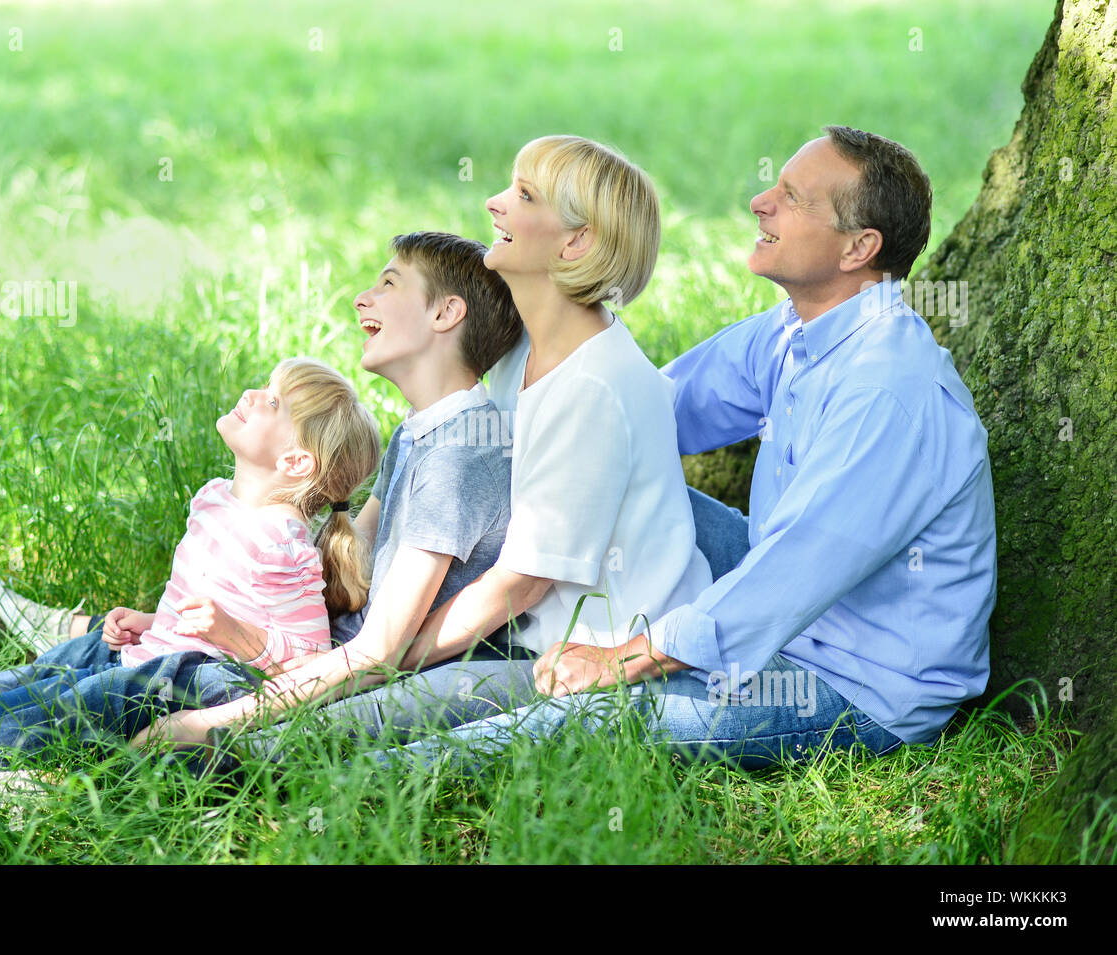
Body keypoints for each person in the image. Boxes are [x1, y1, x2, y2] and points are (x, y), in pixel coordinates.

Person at [370, 125, 995, 772]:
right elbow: (645, 413)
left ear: (858, 247)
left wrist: (622, 658)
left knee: (597, 716)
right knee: (567, 481)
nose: (760, 201)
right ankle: (389, 630)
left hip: (849, 684)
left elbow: (788, 574)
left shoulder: (888, 392)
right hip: (780, 596)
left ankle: (372, 771)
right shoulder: (795, 333)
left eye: (793, 197)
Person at [140, 135, 715, 760]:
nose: (495, 204)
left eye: (523, 195)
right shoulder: (522, 350)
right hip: (510, 634)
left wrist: (371, 660)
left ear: (575, 242)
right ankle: (110, 650)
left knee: (305, 743)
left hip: (573, 660)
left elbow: (514, 588)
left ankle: (167, 730)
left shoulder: (594, 390)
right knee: (283, 678)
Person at [0, 357, 382, 760]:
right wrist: (153, 621)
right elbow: (200, 607)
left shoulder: (284, 543)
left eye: (271, 401)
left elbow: (312, 660)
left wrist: (234, 635)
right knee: (12, 684)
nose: (249, 393)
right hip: (143, 650)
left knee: (34, 713)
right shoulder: (217, 495)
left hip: (175, 681)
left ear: (295, 460)